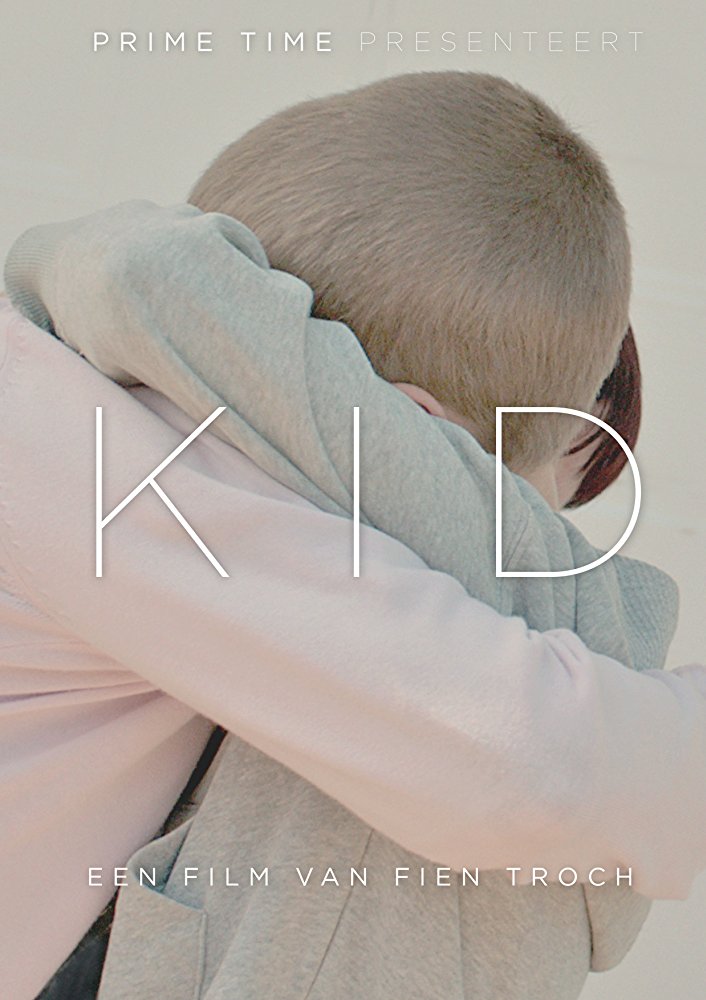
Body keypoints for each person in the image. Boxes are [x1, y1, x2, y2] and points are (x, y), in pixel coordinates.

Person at [2, 72, 706, 1000]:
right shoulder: (112, 462)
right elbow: (533, 764)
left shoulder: (61, 372)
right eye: (478, 494)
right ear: (405, 429)